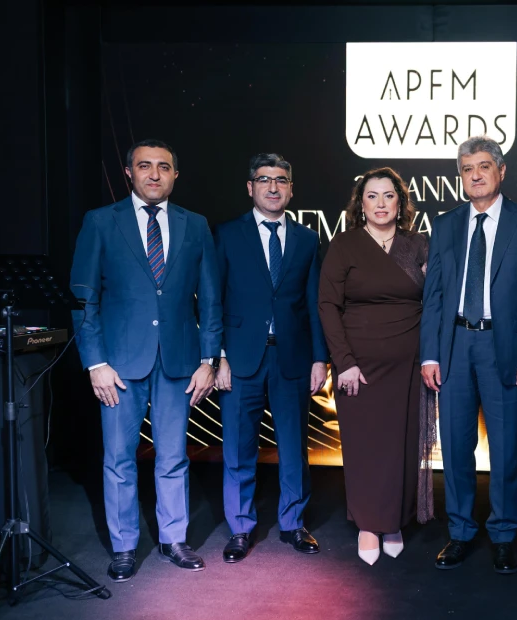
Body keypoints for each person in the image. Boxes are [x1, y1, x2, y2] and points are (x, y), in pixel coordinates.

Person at [70, 139, 221, 581]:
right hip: (118, 366)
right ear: (129, 173)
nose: (154, 174)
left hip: (179, 362)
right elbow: (83, 299)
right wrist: (95, 363)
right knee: (119, 459)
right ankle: (123, 547)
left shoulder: (196, 225)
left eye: (163, 167)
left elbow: (211, 298)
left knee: (173, 457)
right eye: (145, 166)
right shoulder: (100, 222)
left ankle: (174, 539)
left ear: (175, 175)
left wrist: (209, 359)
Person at [420, 136, 517, 575]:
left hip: (506, 348)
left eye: (483, 166)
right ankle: (460, 531)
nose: (475, 175)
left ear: (501, 171)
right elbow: (434, 296)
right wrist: (429, 355)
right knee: (456, 447)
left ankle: (503, 535)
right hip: (455, 346)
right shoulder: (445, 224)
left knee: (507, 448)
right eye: (466, 169)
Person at [213, 153, 328, 563]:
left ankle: (293, 523)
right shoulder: (227, 235)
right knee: (238, 448)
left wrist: (320, 358)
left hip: (292, 358)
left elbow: (314, 304)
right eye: (264, 179)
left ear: (291, 189)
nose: (273, 187)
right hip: (239, 360)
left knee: (294, 448)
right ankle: (240, 528)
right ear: (251, 187)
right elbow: (212, 299)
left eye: (281, 180)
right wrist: (217, 356)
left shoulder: (307, 240)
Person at [318, 167, 430, 566]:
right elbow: (327, 306)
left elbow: (440, 297)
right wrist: (344, 362)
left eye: (388, 195)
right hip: (358, 367)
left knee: (402, 444)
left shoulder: (418, 245)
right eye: (372, 196)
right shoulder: (344, 245)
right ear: (360, 204)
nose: (380, 203)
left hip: (409, 366)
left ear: (400, 202)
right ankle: (368, 524)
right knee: (365, 446)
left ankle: (394, 521)